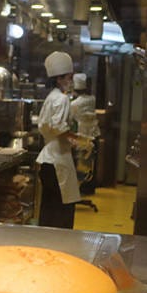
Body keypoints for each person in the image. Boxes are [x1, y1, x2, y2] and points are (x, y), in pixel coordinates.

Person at [35, 51, 81, 229]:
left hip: (48, 158)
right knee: (61, 209)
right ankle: (59, 244)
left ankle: (47, 243)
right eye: (69, 77)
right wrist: (78, 140)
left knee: (49, 207)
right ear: (59, 79)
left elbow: (49, 126)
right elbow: (57, 126)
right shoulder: (61, 99)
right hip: (57, 160)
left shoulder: (51, 97)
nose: (71, 81)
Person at [70, 72, 100, 196]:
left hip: (82, 137)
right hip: (94, 134)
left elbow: (69, 118)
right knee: (91, 163)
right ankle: (89, 189)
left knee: (80, 164)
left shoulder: (74, 104)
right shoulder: (92, 99)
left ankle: (78, 189)